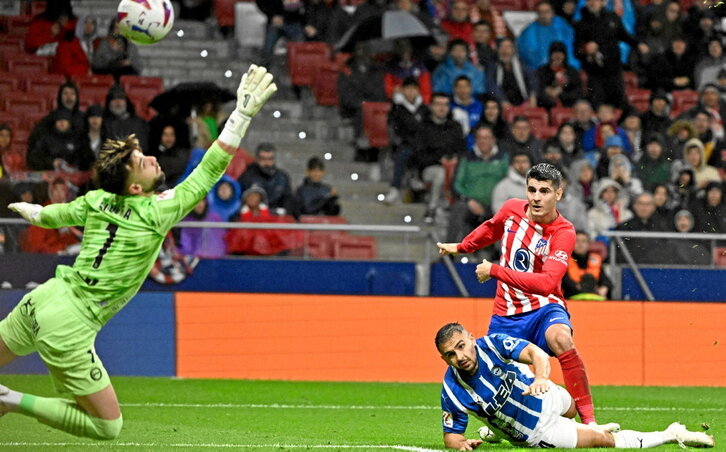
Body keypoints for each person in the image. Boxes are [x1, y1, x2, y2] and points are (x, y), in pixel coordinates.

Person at [0, 65, 277, 439]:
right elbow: (211, 167)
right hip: (70, 324)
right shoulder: (156, 212)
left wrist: (30, 211)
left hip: (44, 297)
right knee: (107, 426)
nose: (150, 159)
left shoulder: (97, 200)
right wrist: (241, 115)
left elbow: (53, 215)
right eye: (140, 163)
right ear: (133, 189)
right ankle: (10, 400)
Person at [437, 163, 604, 426]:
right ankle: (504, 428)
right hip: (506, 313)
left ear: (558, 194)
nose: (537, 197)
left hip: (544, 307)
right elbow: (491, 228)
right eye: (532, 190)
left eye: (545, 191)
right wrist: (462, 247)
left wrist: (495, 270)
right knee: (497, 374)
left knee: (561, 338)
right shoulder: (512, 209)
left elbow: (547, 283)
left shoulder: (564, 233)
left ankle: (590, 421)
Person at [436, 322, 715, 450]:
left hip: (546, 395)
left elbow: (537, 354)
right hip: (537, 431)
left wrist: (541, 378)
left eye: (462, 346)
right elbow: (451, 434)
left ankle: (494, 431)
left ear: (471, 339)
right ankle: (671, 433)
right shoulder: (452, 392)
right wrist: (460, 444)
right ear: (444, 358)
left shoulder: (492, 344)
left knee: (571, 409)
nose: (460, 357)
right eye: (451, 354)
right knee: (603, 441)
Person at [237, 143, 294, 215]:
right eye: (263, 159)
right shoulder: (246, 177)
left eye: (270, 159)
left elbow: (288, 201)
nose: (267, 162)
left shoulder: (282, 177)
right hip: (253, 218)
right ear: (257, 159)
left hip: (276, 218)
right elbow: (239, 200)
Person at [562, 231, 612, 300]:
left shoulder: (595, 259)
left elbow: (606, 281)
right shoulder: (563, 260)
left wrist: (604, 287)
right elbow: (564, 281)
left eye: (583, 241)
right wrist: (579, 288)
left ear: (588, 244)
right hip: (570, 299)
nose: (580, 244)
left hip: (593, 299)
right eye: (577, 241)